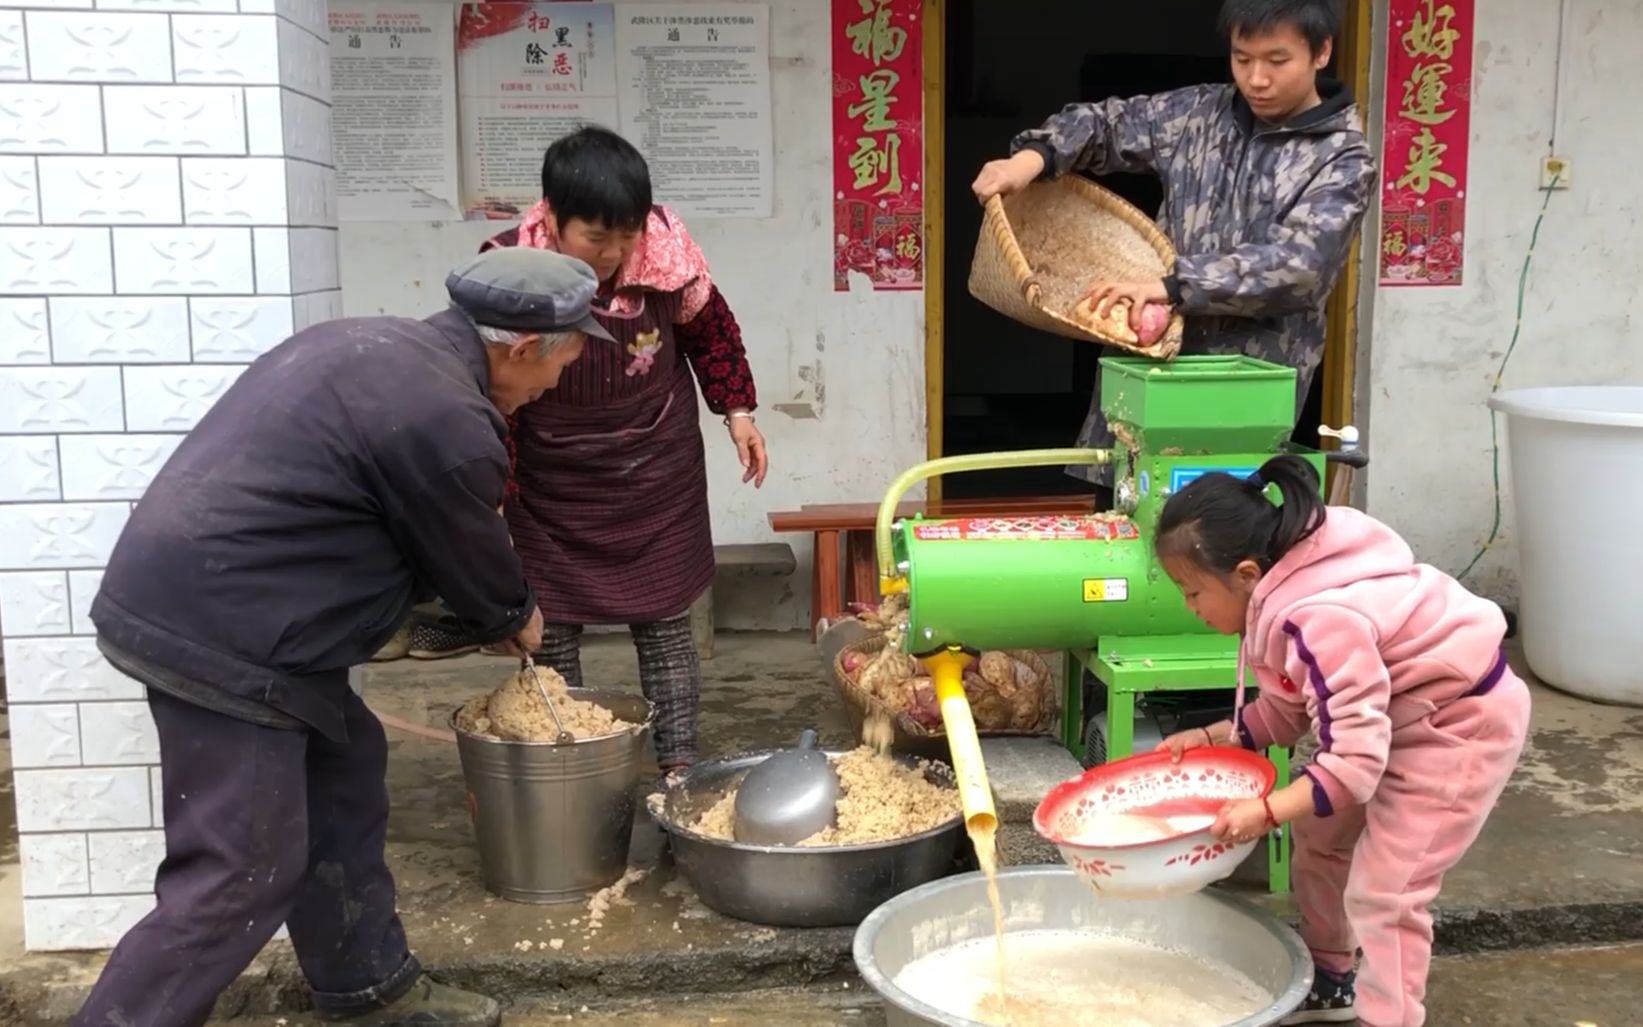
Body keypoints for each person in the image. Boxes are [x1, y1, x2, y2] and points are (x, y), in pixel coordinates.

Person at [72, 247, 618, 1027]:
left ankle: (368, 990)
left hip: (243, 606)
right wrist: (516, 616)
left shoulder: (374, 343)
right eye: (557, 365)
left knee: (345, 771)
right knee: (240, 872)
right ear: (521, 347)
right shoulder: (450, 418)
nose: (550, 387)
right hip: (224, 632)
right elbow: (476, 567)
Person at [415, 125, 768, 785]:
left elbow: (711, 332)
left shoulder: (669, 254)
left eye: (625, 234)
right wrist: (492, 493)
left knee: (667, 625)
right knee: (548, 629)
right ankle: (564, 765)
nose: (613, 253)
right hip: (548, 483)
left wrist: (738, 413)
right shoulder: (508, 268)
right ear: (550, 218)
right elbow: (486, 381)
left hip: (654, 468)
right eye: (595, 236)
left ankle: (676, 768)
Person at [1151, 455, 1531, 1027]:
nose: (1190, 607)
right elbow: (1289, 707)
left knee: (1388, 892)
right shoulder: (1282, 597)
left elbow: (1353, 763)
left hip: (1458, 726)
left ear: (1248, 574)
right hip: (1394, 720)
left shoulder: (1319, 617)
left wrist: (1266, 810)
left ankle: (1391, 1017)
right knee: (1321, 833)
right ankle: (1332, 979)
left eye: (1192, 591)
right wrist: (1214, 736)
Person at [971, 0, 1376, 508]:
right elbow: (1107, 123)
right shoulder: (1198, 115)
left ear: (1321, 52)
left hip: (1246, 386)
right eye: (1241, 58)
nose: (1256, 79)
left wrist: (1171, 287)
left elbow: (1298, 268)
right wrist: (1035, 157)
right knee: (1124, 520)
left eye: (1276, 61)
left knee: (1219, 530)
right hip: (1149, 368)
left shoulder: (1343, 157)